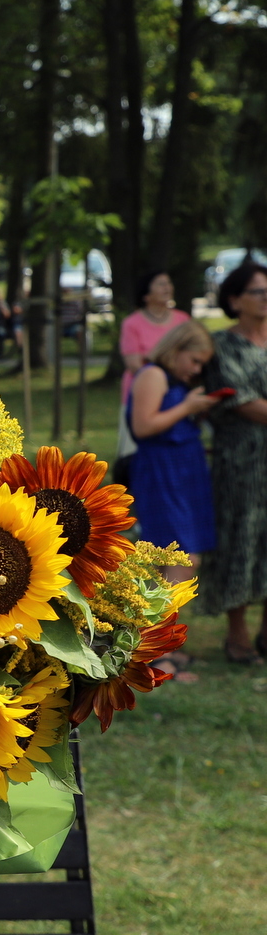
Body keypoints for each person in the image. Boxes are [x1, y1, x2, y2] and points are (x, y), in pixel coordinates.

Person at [127, 320, 218, 679]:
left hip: (184, 472)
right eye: (194, 361)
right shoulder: (153, 374)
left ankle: (159, 648)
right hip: (163, 473)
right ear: (176, 349)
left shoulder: (177, 381)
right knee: (180, 557)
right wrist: (187, 407)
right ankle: (156, 653)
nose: (196, 369)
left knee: (177, 561)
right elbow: (143, 426)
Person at [199, 261, 267, 663]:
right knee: (240, 539)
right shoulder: (221, 345)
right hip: (241, 462)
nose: (265, 298)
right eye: (258, 291)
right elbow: (240, 399)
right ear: (235, 299)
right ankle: (237, 635)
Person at [118, 271, 192, 403]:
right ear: (146, 295)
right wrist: (159, 384)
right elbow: (134, 365)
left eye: (169, 283)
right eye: (161, 284)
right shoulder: (131, 323)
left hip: (177, 391)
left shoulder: (183, 319)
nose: (167, 288)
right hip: (142, 393)